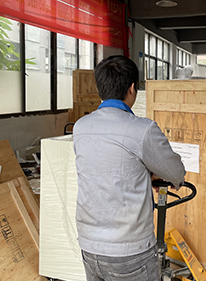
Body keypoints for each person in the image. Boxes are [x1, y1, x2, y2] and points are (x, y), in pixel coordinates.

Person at [73, 55, 185, 281]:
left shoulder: (80, 127)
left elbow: (109, 166)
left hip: (89, 245)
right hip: (129, 250)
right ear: (132, 88)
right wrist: (153, 174)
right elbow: (175, 173)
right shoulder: (142, 130)